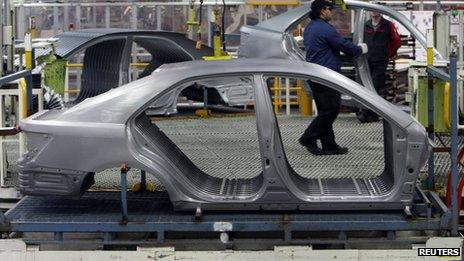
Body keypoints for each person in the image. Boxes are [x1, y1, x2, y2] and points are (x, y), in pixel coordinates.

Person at [299, 0, 367, 155]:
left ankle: (329, 145)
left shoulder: (310, 28)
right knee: (332, 109)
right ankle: (308, 137)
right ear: (323, 11)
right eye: (330, 9)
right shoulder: (325, 29)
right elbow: (342, 45)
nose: (332, 12)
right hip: (325, 76)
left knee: (324, 110)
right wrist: (359, 49)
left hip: (315, 74)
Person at [356, 11, 401, 123]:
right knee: (365, 86)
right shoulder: (365, 25)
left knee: (376, 85)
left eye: (376, 11)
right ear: (370, 13)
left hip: (381, 60)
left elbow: (396, 41)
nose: (374, 13)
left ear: (380, 12)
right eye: (372, 11)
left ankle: (370, 113)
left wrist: (389, 54)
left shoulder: (388, 25)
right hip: (367, 60)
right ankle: (368, 112)